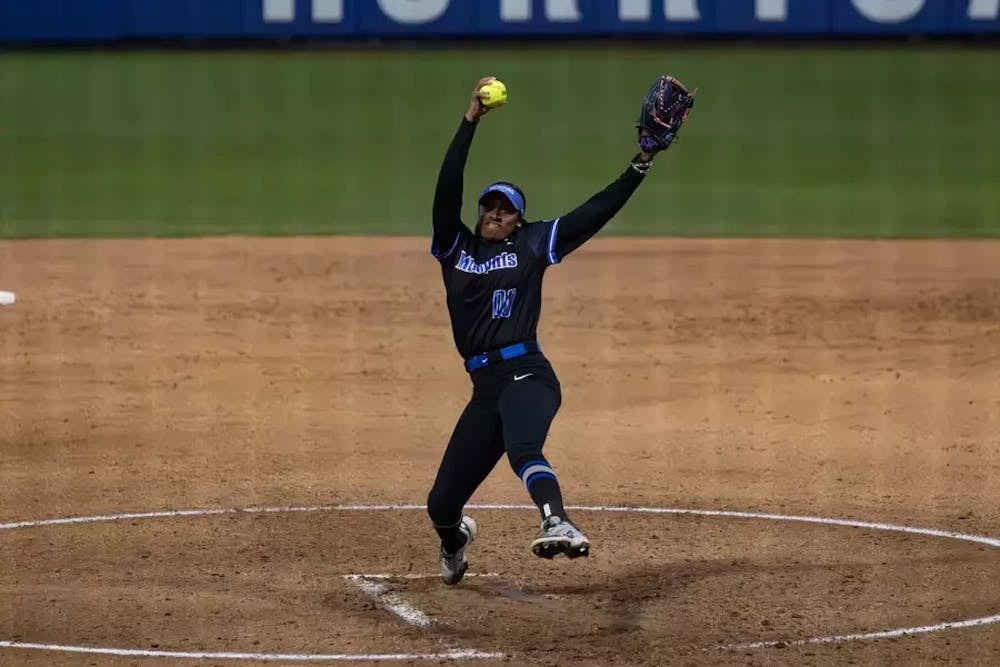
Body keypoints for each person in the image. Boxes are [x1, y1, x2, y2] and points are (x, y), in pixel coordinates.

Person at [426, 75, 668, 585]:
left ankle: (557, 519)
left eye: (506, 208)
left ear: (519, 220)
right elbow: (447, 187)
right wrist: (469, 121)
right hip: (483, 390)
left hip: (528, 375)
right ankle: (456, 540)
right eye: (489, 205)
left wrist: (640, 164)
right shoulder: (455, 247)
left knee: (524, 449)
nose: (495, 212)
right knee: (441, 502)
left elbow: (593, 213)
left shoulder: (534, 245)